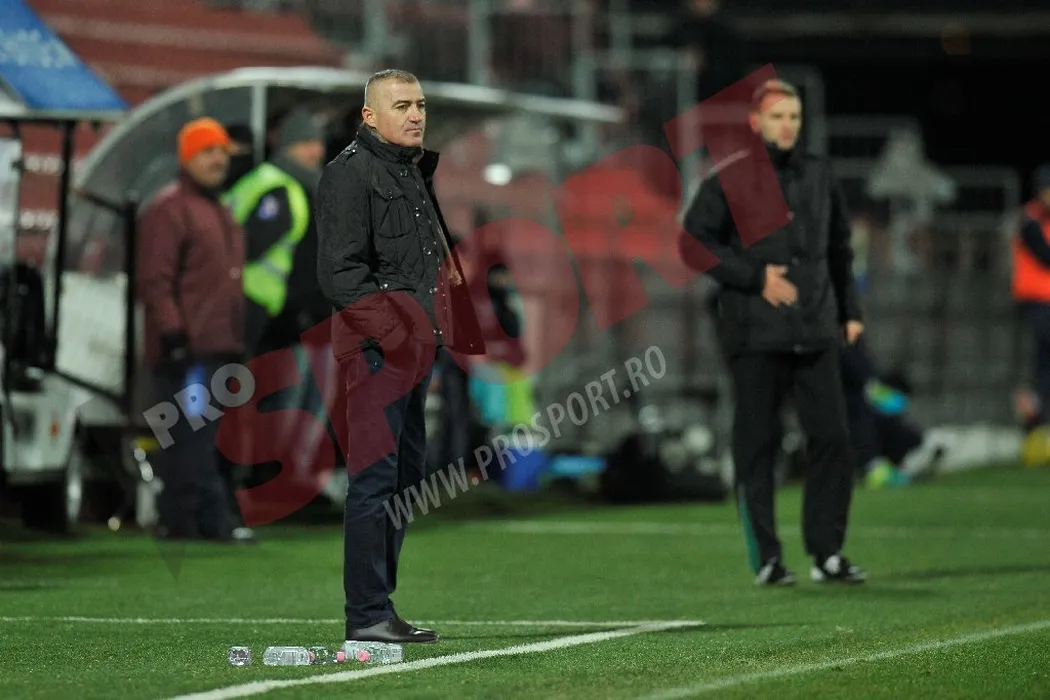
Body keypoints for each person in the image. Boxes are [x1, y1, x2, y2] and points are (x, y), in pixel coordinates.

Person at [316, 69, 485, 644]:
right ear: (369, 116)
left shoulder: (408, 168)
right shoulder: (349, 173)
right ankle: (366, 614)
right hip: (376, 351)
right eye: (402, 105)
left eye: (420, 104)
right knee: (374, 480)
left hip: (411, 349)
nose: (416, 115)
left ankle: (378, 607)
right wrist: (396, 336)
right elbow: (340, 273)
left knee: (405, 479)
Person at [679, 79, 866, 586]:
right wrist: (755, 277)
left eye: (795, 117)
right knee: (759, 444)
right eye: (778, 117)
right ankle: (766, 557)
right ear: (755, 123)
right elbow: (693, 243)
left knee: (832, 439)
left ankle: (827, 553)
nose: (788, 126)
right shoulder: (732, 178)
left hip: (816, 329)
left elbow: (839, 248)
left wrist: (850, 310)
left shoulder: (820, 174)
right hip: (756, 334)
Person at [136, 117, 250, 543]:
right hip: (190, 349)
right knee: (192, 437)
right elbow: (155, 280)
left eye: (222, 151)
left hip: (216, 345)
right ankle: (204, 521)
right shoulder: (171, 209)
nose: (218, 159)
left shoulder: (216, 208)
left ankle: (185, 520)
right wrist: (174, 335)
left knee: (197, 436)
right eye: (208, 152)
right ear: (187, 158)